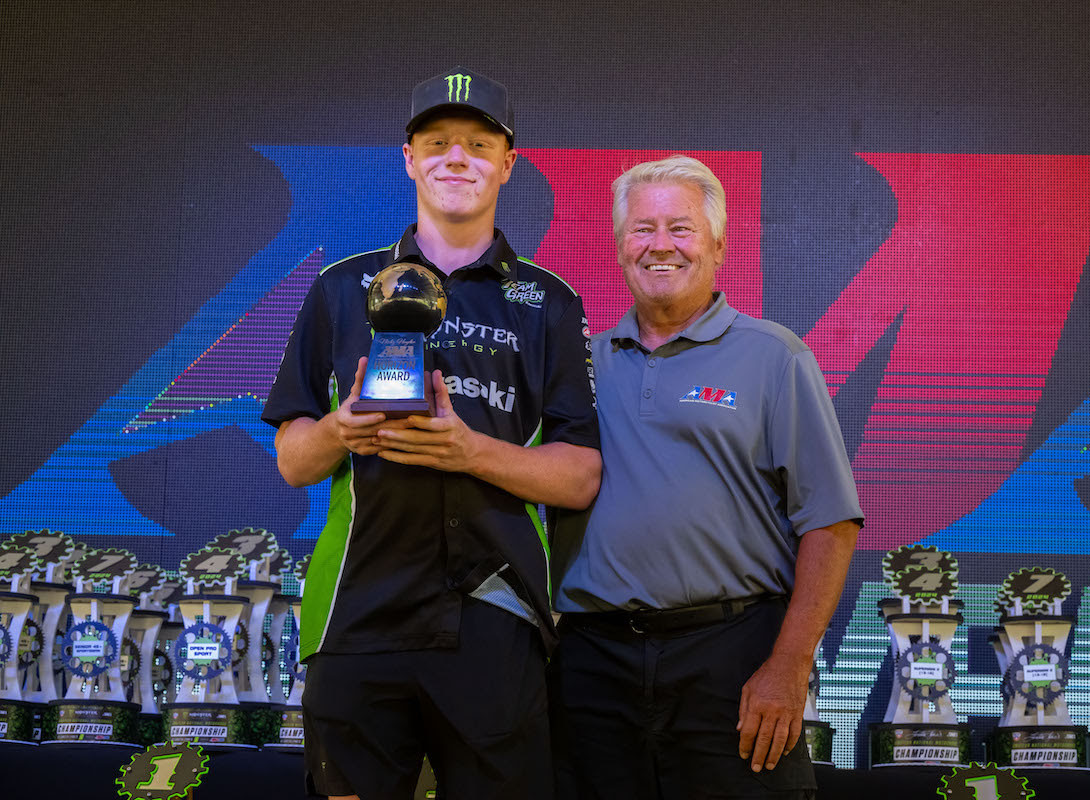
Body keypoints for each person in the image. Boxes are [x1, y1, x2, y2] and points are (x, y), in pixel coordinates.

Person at [263, 66, 601, 800]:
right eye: (439, 141)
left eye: (480, 145)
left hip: (496, 614)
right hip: (357, 610)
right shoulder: (340, 289)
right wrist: (344, 429)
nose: (458, 158)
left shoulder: (548, 301)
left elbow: (578, 476)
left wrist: (469, 451)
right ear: (409, 158)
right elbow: (293, 461)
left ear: (508, 166)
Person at [549, 155, 862, 799]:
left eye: (681, 228)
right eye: (641, 229)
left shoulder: (776, 356)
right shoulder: (579, 369)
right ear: (618, 247)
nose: (660, 244)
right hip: (591, 662)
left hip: (732, 657)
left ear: (718, 244)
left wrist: (789, 665)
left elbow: (830, 524)